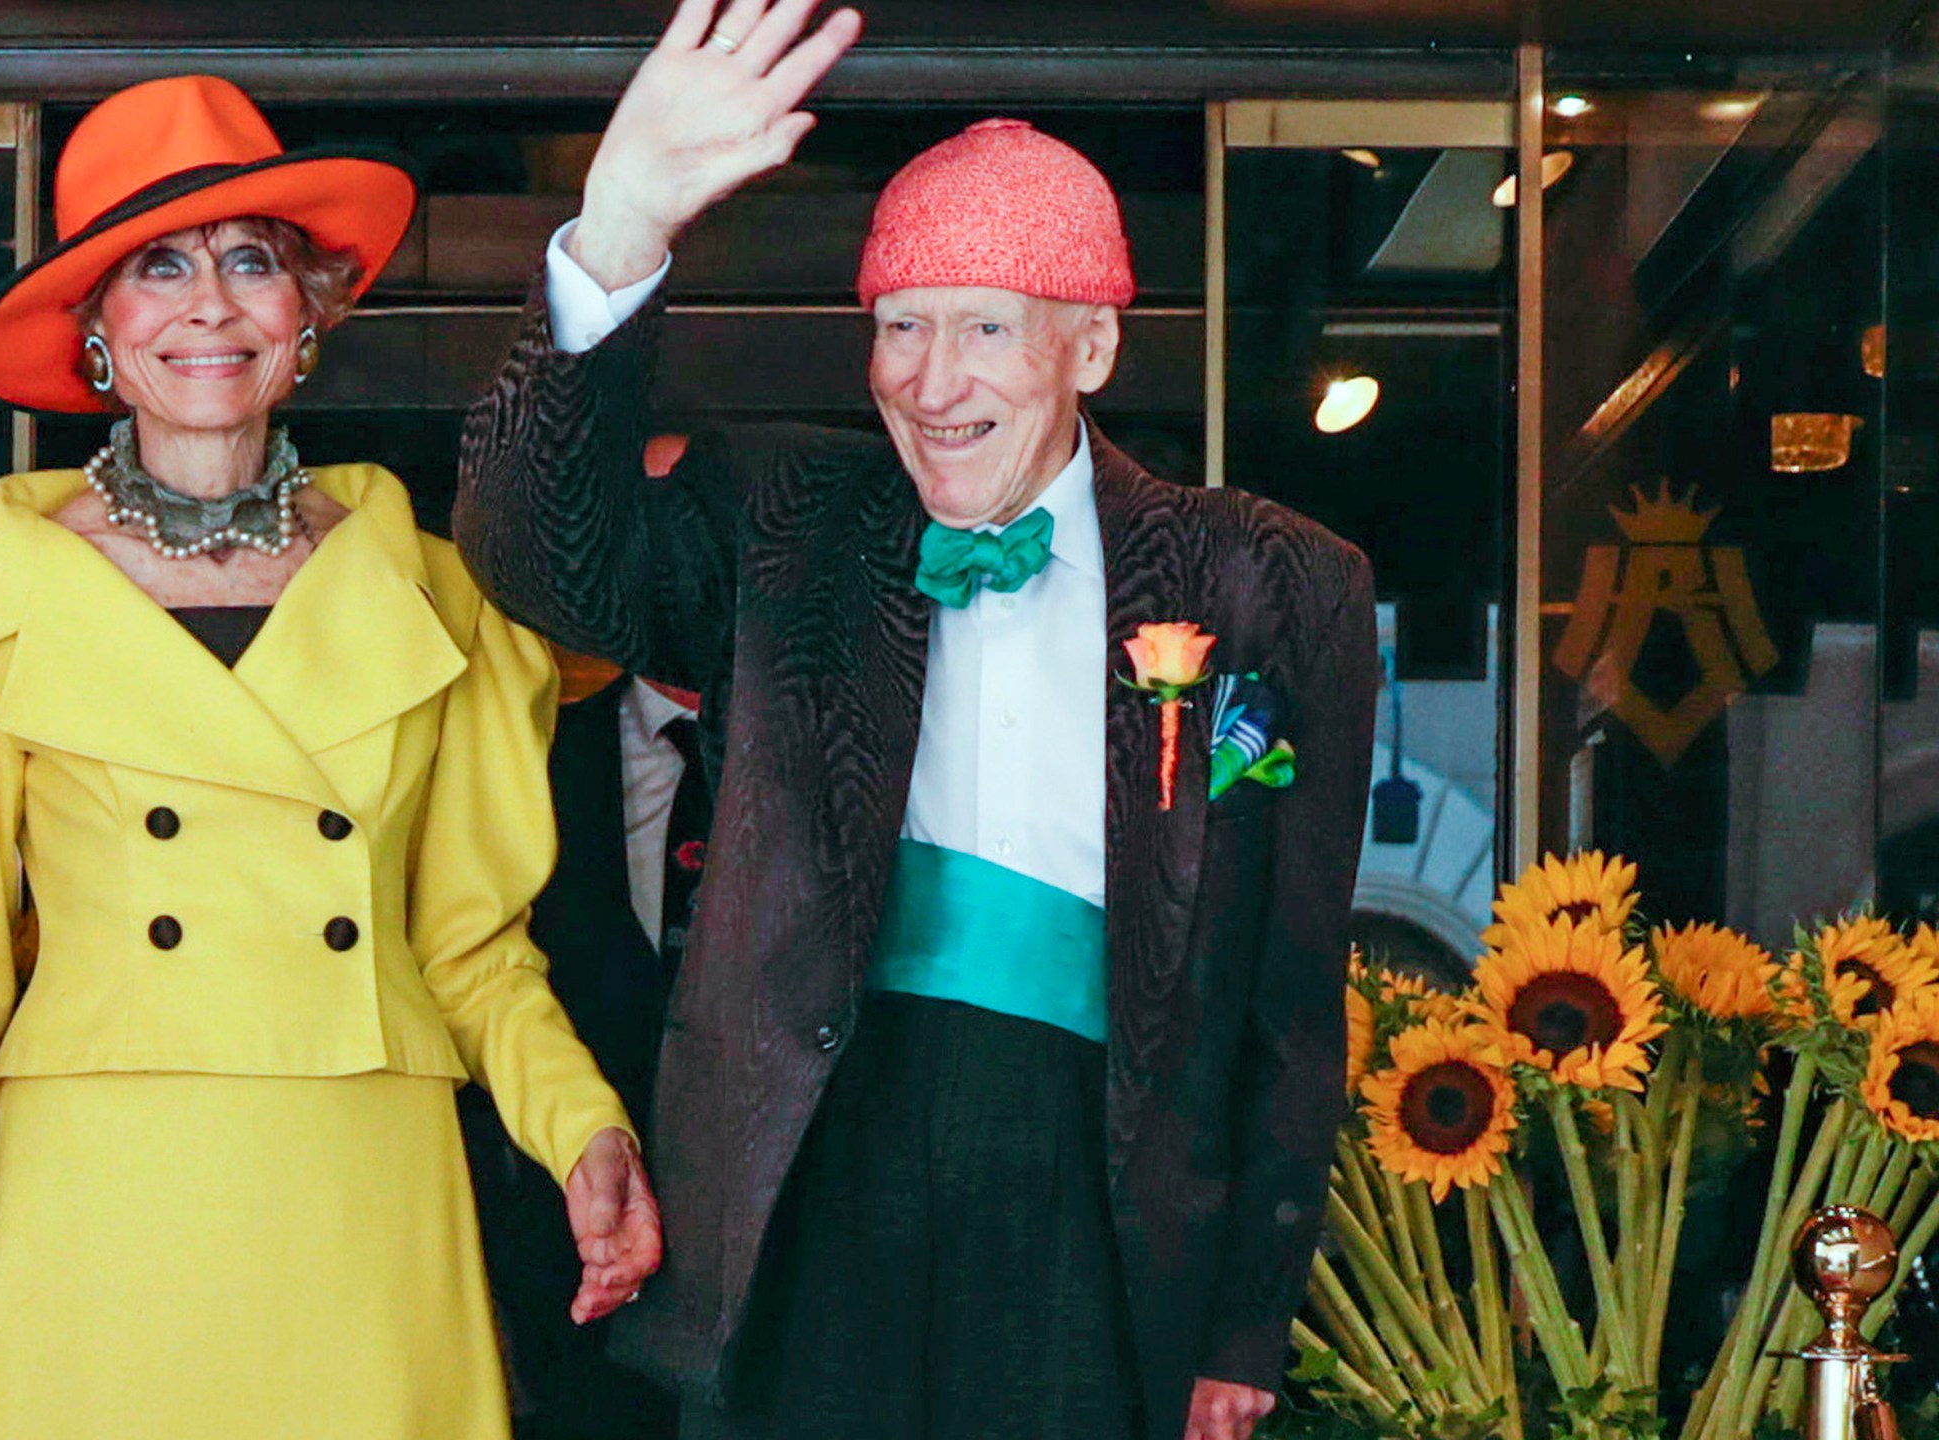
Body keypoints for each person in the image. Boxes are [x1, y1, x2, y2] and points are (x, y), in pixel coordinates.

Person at [452, 3, 1380, 1438]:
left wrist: (1247, 1327)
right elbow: (539, 558)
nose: (932, 385)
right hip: (810, 1172)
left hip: (1100, 1197)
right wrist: (618, 230)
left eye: (986, 331)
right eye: (902, 329)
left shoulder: (1270, 578)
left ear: (1092, 349)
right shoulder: (784, 517)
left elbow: (1287, 991)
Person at [0, 74, 661, 1440]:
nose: (208, 305)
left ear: (309, 312)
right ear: (97, 329)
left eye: (250, 263)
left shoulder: (438, 597)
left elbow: (470, 949)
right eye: (156, 267)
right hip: (103, 1202)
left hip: (362, 1190)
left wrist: (586, 1131)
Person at [464, 641, 703, 1440]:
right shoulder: (529, 742)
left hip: (802, 1274)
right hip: (577, 1269)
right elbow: (473, 966)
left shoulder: (841, 747)